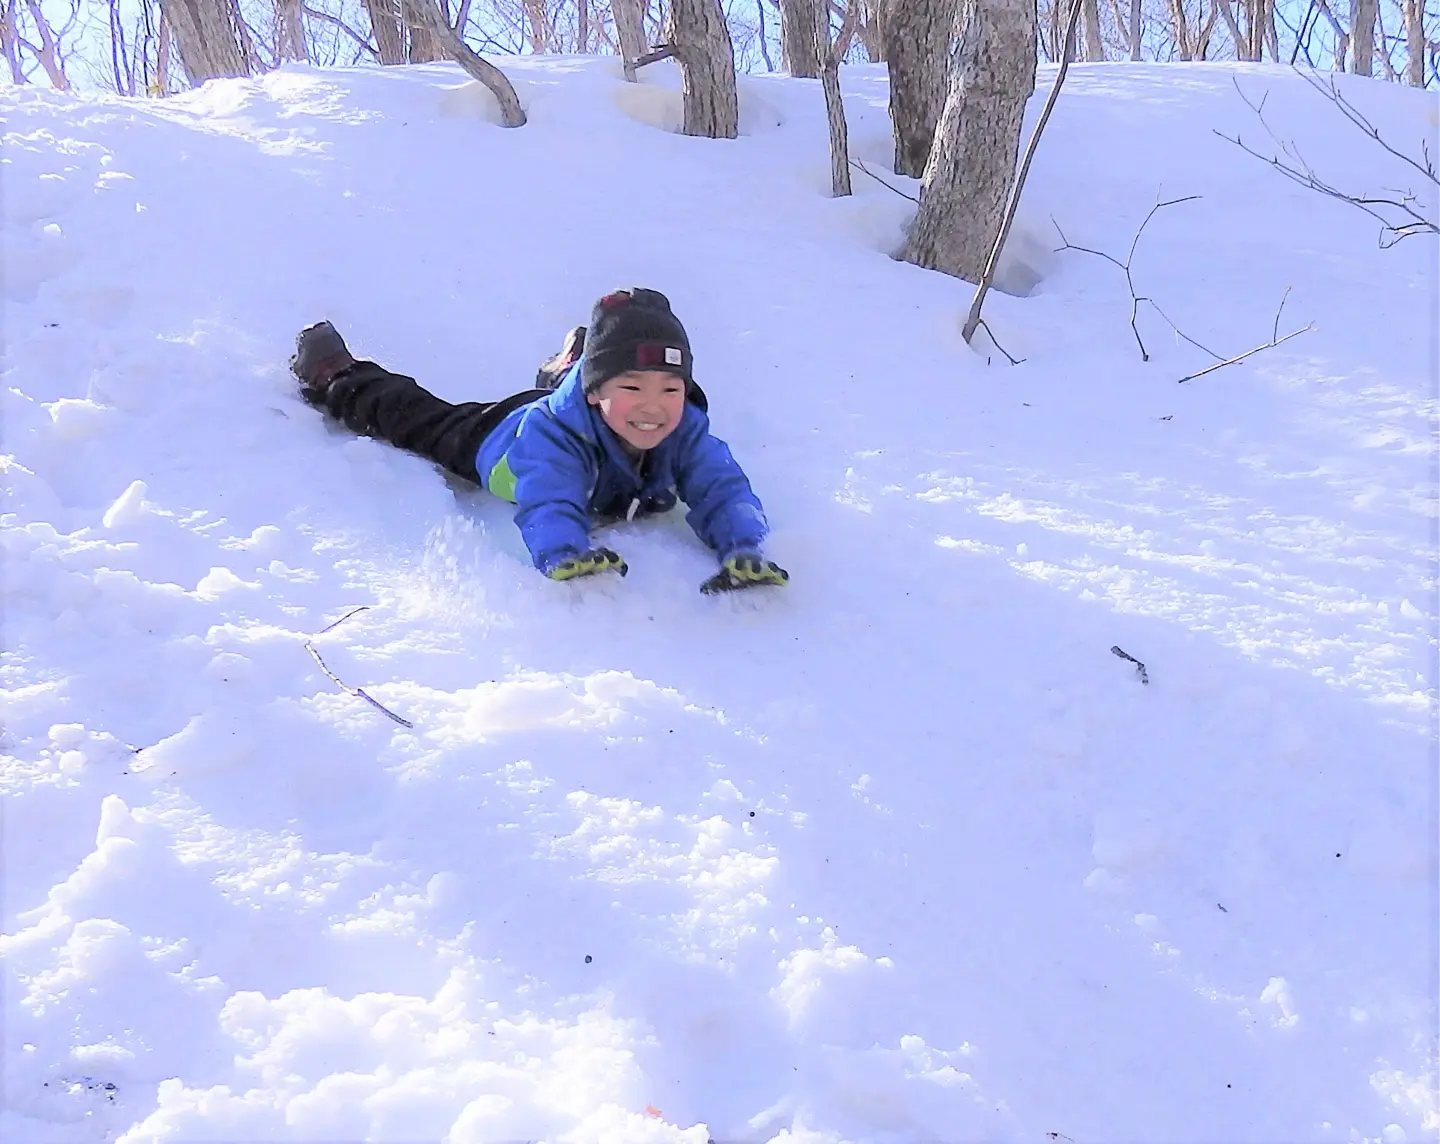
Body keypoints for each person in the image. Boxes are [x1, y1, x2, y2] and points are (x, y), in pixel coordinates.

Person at [290, 287, 789, 593]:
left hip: (581, 399)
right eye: (634, 388)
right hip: (503, 436)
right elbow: (549, 499)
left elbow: (723, 488)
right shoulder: (552, 440)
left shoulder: (684, 428)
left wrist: (743, 547)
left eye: (670, 389)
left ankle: (571, 365)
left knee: (616, 404)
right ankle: (337, 375)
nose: (653, 406)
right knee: (418, 421)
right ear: (596, 391)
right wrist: (564, 551)